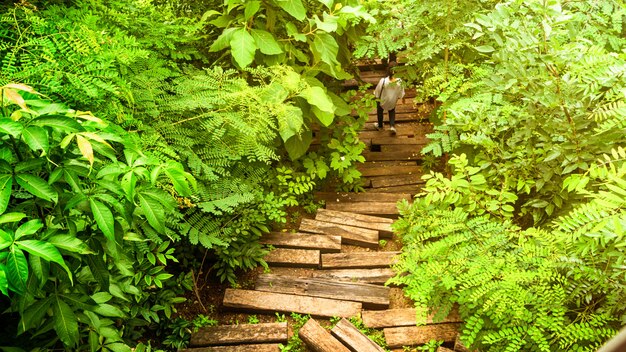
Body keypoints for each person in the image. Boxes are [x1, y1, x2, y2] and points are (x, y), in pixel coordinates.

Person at [373, 61, 405, 134]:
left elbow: (377, 92)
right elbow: (401, 94)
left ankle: (380, 126)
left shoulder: (383, 81)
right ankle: (392, 126)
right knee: (392, 110)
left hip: (383, 101)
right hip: (392, 102)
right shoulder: (400, 81)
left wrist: (376, 96)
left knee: (379, 111)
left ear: (388, 69)